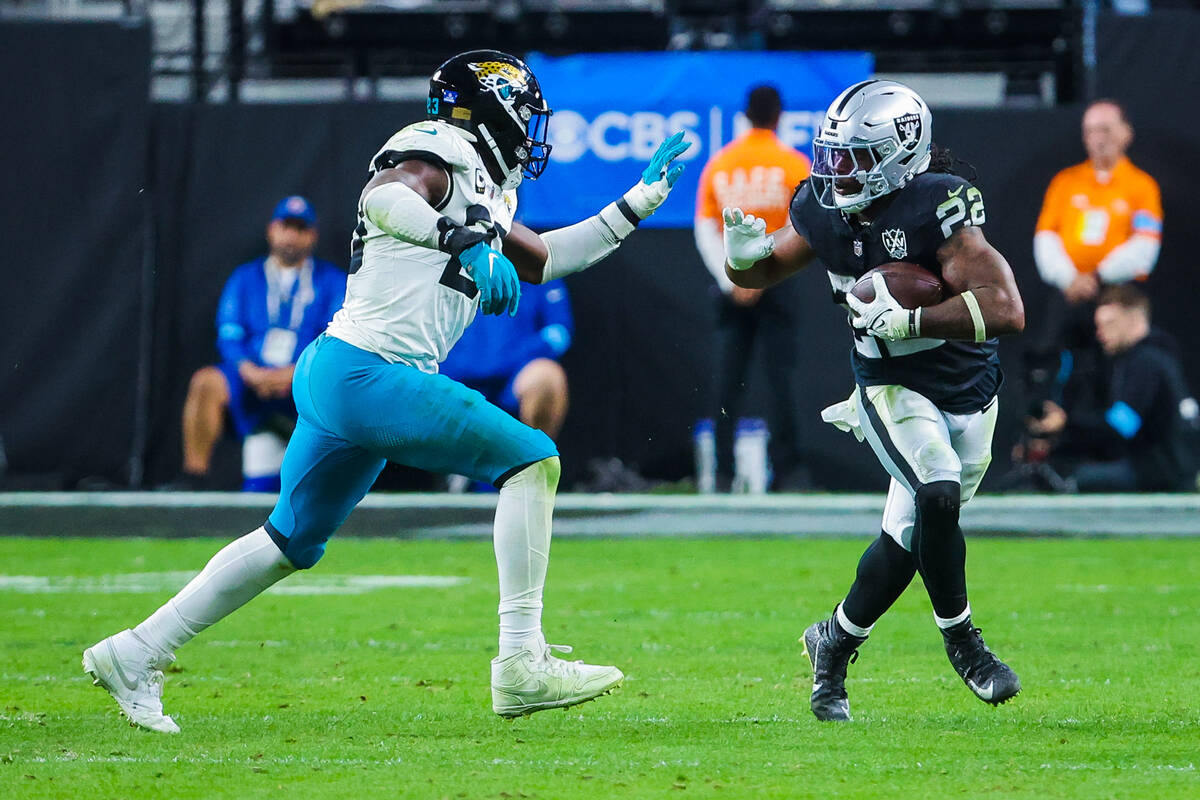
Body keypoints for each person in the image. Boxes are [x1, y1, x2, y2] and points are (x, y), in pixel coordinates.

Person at [83, 50, 691, 733]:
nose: (529, 129)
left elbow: (550, 259)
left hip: (339, 373)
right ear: (486, 109)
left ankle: (134, 652)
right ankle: (521, 662)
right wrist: (461, 240)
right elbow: (385, 196)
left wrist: (638, 204)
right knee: (532, 458)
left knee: (289, 539)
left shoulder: (486, 187)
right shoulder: (436, 150)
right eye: (522, 114)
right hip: (371, 372)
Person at [722, 80, 1026, 721]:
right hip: (890, 384)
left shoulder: (936, 205)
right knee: (936, 489)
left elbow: (1006, 309)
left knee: (907, 539)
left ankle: (831, 643)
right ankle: (965, 643)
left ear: (901, 153)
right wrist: (742, 260)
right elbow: (763, 271)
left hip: (969, 386)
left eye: (856, 157)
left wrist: (913, 321)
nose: (838, 172)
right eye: (832, 155)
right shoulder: (824, 208)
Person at [169, 197, 347, 491]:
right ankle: (193, 479)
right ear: (271, 229)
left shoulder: (331, 281)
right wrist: (250, 372)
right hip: (251, 377)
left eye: (300, 228)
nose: (291, 235)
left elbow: (337, 336)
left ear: (312, 235)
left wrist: (294, 373)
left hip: (303, 378)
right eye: (285, 226)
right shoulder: (245, 277)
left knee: (343, 387)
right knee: (205, 383)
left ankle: (336, 483)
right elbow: (228, 334)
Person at [693, 85, 812, 491]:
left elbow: (706, 227)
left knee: (726, 383)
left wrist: (733, 277)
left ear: (744, 115)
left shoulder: (722, 164)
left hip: (732, 283)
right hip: (777, 281)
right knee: (783, 380)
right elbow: (805, 226)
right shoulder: (793, 164)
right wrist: (767, 274)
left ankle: (722, 474)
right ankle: (790, 474)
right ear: (779, 116)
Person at [1029, 100, 1163, 411]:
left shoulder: (1141, 186)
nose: (1097, 138)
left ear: (1125, 133)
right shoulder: (1065, 182)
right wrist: (1070, 278)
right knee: (1051, 359)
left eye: (1105, 129)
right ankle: (1054, 435)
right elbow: (1046, 239)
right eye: (1090, 131)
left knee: (1117, 369)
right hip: (1070, 292)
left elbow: (1145, 247)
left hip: (1118, 293)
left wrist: (1098, 275)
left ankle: (1114, 438)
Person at [1027, 285, 1196, 492]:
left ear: (1134, 319)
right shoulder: (1153, 357)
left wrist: (1064, 425)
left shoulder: (1146, 362)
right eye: (1098, 325)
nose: (1100, 333)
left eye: (1110, 323)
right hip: (1164, 466)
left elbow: (1121, 427)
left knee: (1079, 479)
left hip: (1161, 472)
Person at [440, 278, 573, 442]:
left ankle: (535, 460)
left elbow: (559, 333)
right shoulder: (438, 264)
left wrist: (504, 361)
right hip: (452, 380)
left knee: (546, 377)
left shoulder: (539, 269)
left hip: (512, 379)